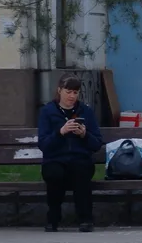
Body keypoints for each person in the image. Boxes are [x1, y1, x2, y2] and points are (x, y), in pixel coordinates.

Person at [36, 75, 103, 232]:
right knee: (54, 174)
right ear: (59, 91)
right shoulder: (48, 112)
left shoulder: (85, 111)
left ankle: (85, 219)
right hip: (55, 159)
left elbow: (97, 144)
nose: (72, 96)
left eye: (75, 92)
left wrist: (84, 135)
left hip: (80, 159)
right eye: (68, 92)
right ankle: (53, 219)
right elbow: (44, 144)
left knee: (81, 171)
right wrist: (61, 132)